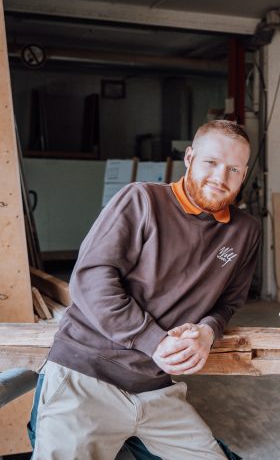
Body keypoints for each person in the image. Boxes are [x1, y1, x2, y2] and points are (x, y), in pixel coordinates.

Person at [29, 120, 261, 460]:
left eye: (234, 169)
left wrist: (208, 332)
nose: (220, 178)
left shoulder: (245, 231)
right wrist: (155, 341)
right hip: (87, 376)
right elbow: (92, 279)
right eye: (211, 163)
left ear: (244, 175)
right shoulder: (142, 200)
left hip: (156, 391)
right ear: (190, 157)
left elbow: (229, 302)